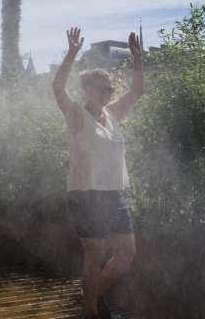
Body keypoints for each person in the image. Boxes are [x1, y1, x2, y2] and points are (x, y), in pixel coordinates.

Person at [52, 27, 143, 319]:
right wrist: (71, 53)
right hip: (85, 193)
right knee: (95, 255)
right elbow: (57, 88)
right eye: (104, 88)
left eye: (111, 90)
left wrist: (138, 59)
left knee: (127, 254)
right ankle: (90, 311)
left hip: (113, 193)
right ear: (90, 89)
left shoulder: (112, 114)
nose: (109, 93)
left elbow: (136, 91)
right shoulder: (77, 113)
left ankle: (90, 295)